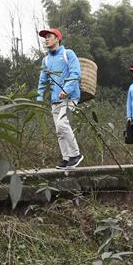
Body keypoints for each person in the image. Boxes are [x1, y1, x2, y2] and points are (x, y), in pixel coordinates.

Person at [36, 28, 84, 169]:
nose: (46, 39)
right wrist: (39, 98)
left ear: (57, 38)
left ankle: (76, 154)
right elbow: (42, 81)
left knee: (63, 124)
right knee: (59, 131)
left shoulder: (67, 53)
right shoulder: (45, 60)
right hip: (54, 100)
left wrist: (66, 90)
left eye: (49, 36)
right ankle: (66, 158)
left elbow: (76, 73)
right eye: (45, 37)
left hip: (70, 97)